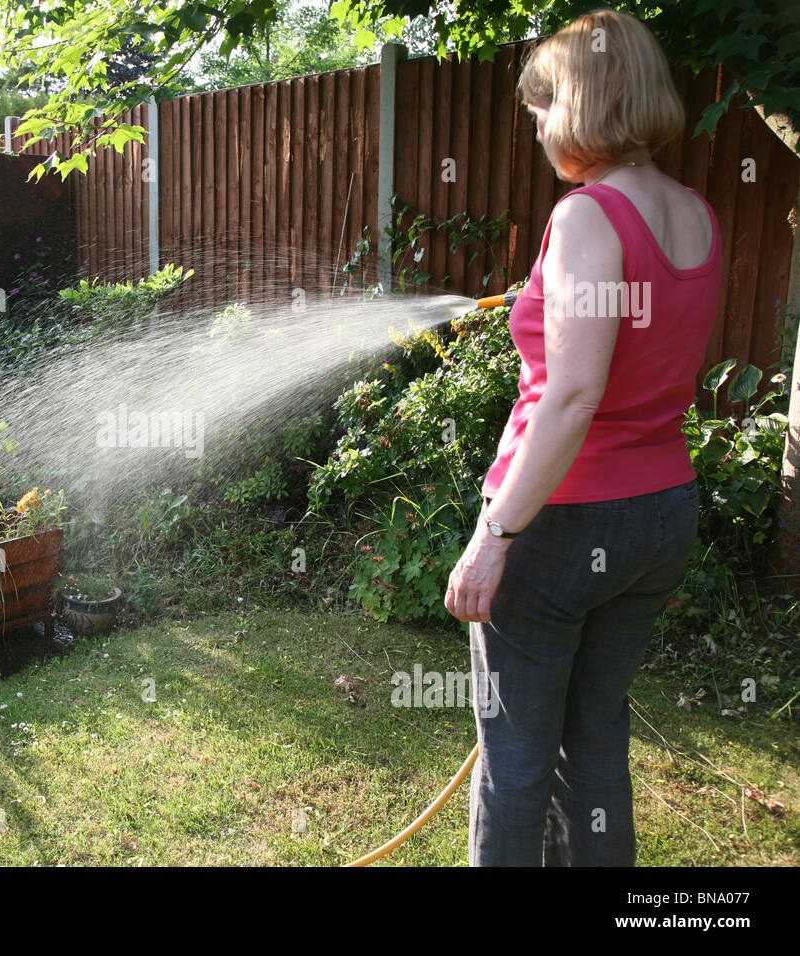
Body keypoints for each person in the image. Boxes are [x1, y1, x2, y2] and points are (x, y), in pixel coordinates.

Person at [443, 7, 721, 866]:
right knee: (594, 742)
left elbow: (574, 397)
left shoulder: (586, 217)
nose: (534, 126)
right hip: (661, 515)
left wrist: (495, 539)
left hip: (562, 524)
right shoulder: (696, 214)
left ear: (579, 102)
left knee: (517, 760)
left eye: (539, 107)